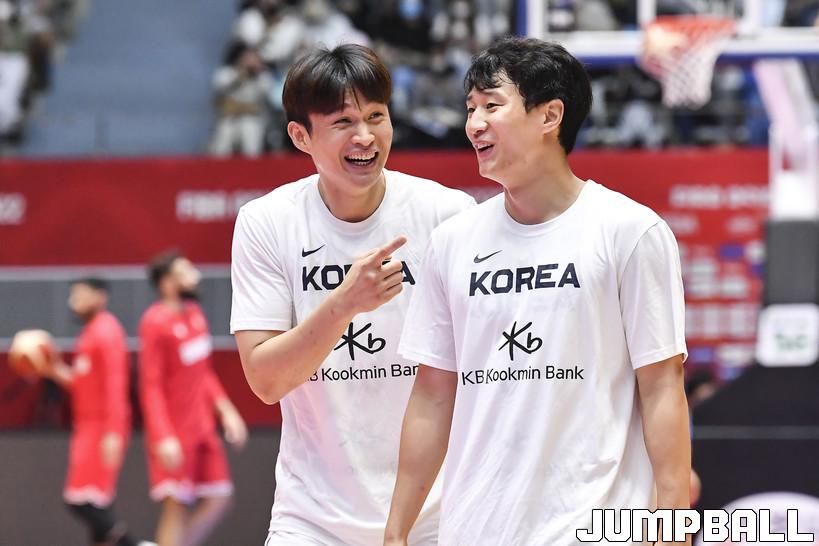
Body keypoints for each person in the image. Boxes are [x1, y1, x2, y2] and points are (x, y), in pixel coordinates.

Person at [384, 36, 690, 546]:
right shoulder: (451, 242)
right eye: (471, 108)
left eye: (492, 105)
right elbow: (433, 395)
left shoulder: (631, 232)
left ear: (550, 116)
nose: (474, 124)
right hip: (473, 531)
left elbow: (662, 385)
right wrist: (397, 531)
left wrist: (673, 525)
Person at [230, 44, 474, 546]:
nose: (365, 136)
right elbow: (266, 381)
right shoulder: (267, 222)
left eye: (376, 116)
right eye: (343, 122)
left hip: (437, 516)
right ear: (300, 136)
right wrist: (344, 304)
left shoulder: (448, 215)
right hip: (312, 521)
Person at [139, 251, 248, 546]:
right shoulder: (154, 322)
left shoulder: (196, 314)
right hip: (175, 431)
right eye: (186, 272)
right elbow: (150, 386)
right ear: (167, 283)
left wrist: (226, 410)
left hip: (203, 428)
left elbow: (204, 373)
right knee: (176, 505)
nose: (195, 276)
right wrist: (163, 436)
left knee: (220, 497)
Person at [45, 278, 149, 546]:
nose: (73, 302)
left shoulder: (107, 331)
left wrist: (113, 432)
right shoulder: (89, 333)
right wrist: (52, 369)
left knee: (82, 502)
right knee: (98, 503)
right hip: (87, 427)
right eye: (72, 296)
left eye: (80, 295)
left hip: (102, 427)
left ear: (100, 297)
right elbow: (81, 383)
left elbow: (116, 384)